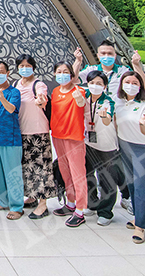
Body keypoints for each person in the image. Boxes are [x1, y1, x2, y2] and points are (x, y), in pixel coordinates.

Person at [73, 40, 145, 215]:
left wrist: (136, 65)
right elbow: (74, 80)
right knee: (92, 166)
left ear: (115, 55)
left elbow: (143, 84)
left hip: (116, 123)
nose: (106, 57)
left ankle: (125, 195)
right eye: (103, 53)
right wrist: (77, 61)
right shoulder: (91, 71)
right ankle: (94, 202)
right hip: (93, 125)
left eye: (110, 54)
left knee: (115, 165)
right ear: (97, 55)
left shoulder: (122, 72)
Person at [12, 55, 54, 219]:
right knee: (28, 167)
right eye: (21, 66)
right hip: (22, 131)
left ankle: (43, 204)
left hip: (38, 132)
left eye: (27, 65)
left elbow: (41, 97)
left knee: (41, 167)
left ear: (33, 67)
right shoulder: (16, 85)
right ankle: (32, 196)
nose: (24, 68)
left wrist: (41, 99)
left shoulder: (39, 84)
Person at [116, 73, 145, 244]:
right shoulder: (118, 103)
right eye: (127, 82)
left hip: (142, 148)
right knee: (131, 183)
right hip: (124, 145)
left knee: (140, 186)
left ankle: (141, 226)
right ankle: (136, 217)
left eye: (134, 83)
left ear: (140, 86)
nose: (131, 85)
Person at [50, 61, 88, 227]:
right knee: (65, 172)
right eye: (59, 71)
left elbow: (81, 104)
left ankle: (80, 210)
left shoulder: (79, 91)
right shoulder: (55, 91)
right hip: (58, 136)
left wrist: (79, 99)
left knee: (78, 173)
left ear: (72, 75)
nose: (62, 74)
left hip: (74, 138)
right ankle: (70, 202)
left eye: (66, 71)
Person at [0, 60, 24, 220]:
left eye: (2, 72)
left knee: (12, 173)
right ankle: (4, 201)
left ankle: (17, 206)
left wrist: (1, 98)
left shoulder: (14, 92)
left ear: (8, 73)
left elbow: (12, 110)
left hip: (11, 138)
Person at [84, 71, 120, 227]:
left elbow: (107, 120)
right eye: (92, 83)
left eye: (99, 84)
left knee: (107, 178)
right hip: (89, 143)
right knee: (87, 175)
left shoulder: (108, 102)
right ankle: (92, 203)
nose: (95, 86)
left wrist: (105, 116)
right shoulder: (84, 97)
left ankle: (105, 212)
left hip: (106, 146)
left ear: (105, 86)